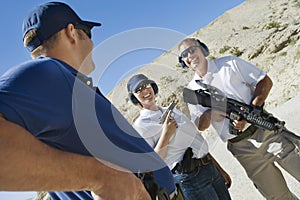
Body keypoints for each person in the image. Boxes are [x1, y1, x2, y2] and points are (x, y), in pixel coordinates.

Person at [0, 2, 178, 200]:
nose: (93, 43)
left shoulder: (67, 83)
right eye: (88, 33)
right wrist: (100, 177)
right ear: (72, 33)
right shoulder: (49, 73)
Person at [177, 37, 300, 199]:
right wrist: (211, 113)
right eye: (184, 54)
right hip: (240, 148)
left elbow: (264, 81)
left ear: (202, 49)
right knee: (277, 196)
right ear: (183, 62)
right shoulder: (193, 91)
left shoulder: (229, 64)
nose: (189, 55)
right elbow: (200, 125)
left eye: (192, 49)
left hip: (265, 131)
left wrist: (252, 112)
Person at [126, 73, 232, 200]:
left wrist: (219, 169)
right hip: (190, 178)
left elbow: (195, 141)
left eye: (146, 85)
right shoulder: (141, 126)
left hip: (209, 167)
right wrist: (166, 134)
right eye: (138, 90)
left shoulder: (172, 110)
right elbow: (154, 163)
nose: (144, 90)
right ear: (134, 97)